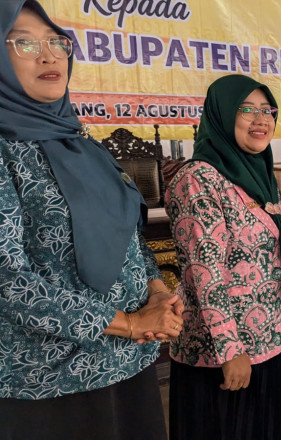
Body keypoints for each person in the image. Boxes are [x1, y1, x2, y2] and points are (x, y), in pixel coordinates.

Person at [0, 1, 183, 438]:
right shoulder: (6, 154)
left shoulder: (84, 143)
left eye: (56, 42)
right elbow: (7, 280)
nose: (49, 56)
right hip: (50, 384)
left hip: (128, 364)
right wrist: (131, 323)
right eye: (24, 43)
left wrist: (158, 293)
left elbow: (129, 237)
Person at [165, 75, 281, 439]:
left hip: (265, 343)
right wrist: (230, 350)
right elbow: (204, 273)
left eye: (268, 110)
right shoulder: (198, 180)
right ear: (223, 114)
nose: (261, 120)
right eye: (247, 109)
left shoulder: (258, 175)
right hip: (222, 357)